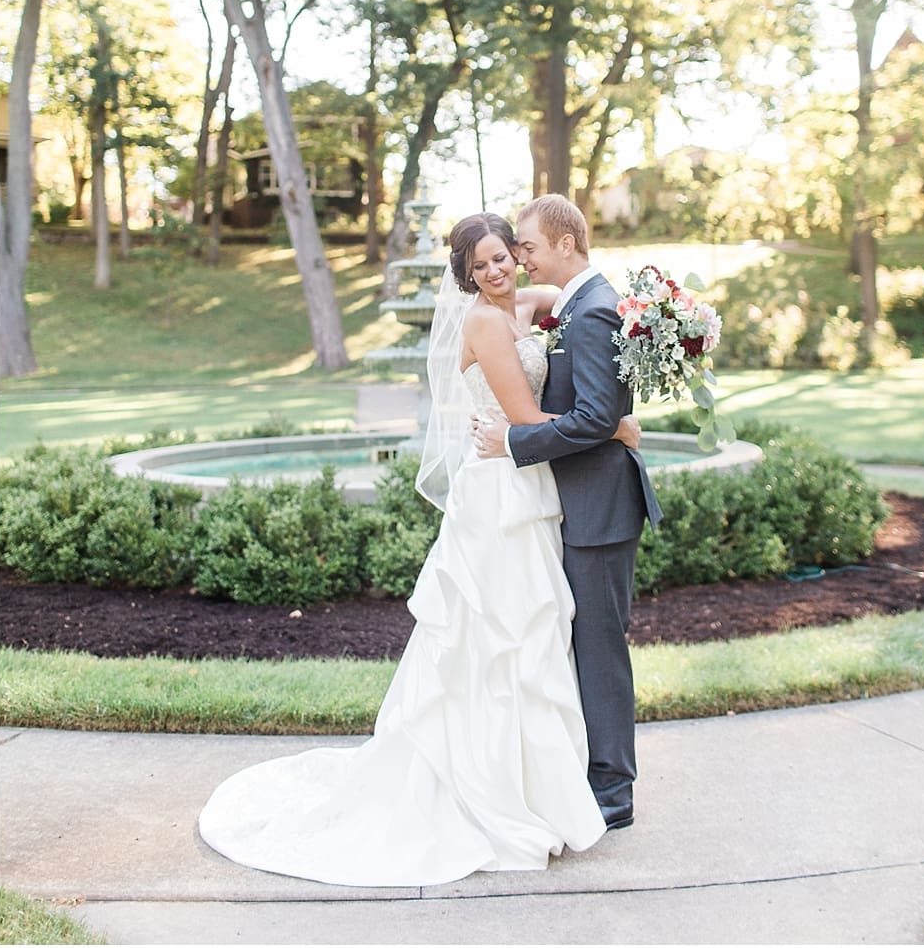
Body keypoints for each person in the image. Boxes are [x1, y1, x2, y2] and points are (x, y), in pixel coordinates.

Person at [198, 212, 642, 885]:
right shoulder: (485, 322)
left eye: (505, 257)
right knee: (498, 635)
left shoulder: (532, 302)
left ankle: (546, 782)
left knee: (538, 634)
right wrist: (616, 429)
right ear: (463, 273)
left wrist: (663, 321)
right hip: (499, 494)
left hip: (533, 492)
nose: (497, 271)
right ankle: (489, 787)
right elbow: (524, 419)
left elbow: (592, 299)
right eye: (482, 264)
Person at [472, 192, 662, 832]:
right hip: (575, 502)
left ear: (563, 243)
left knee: (600, 647)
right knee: (574, 642)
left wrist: (513, 440)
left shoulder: (591, 313)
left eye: (525, 246)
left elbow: (593, 418)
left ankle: (612, 792)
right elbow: (602, 414)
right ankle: (585, 773)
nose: (519, 259)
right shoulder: (579, 304)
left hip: (600, 508)